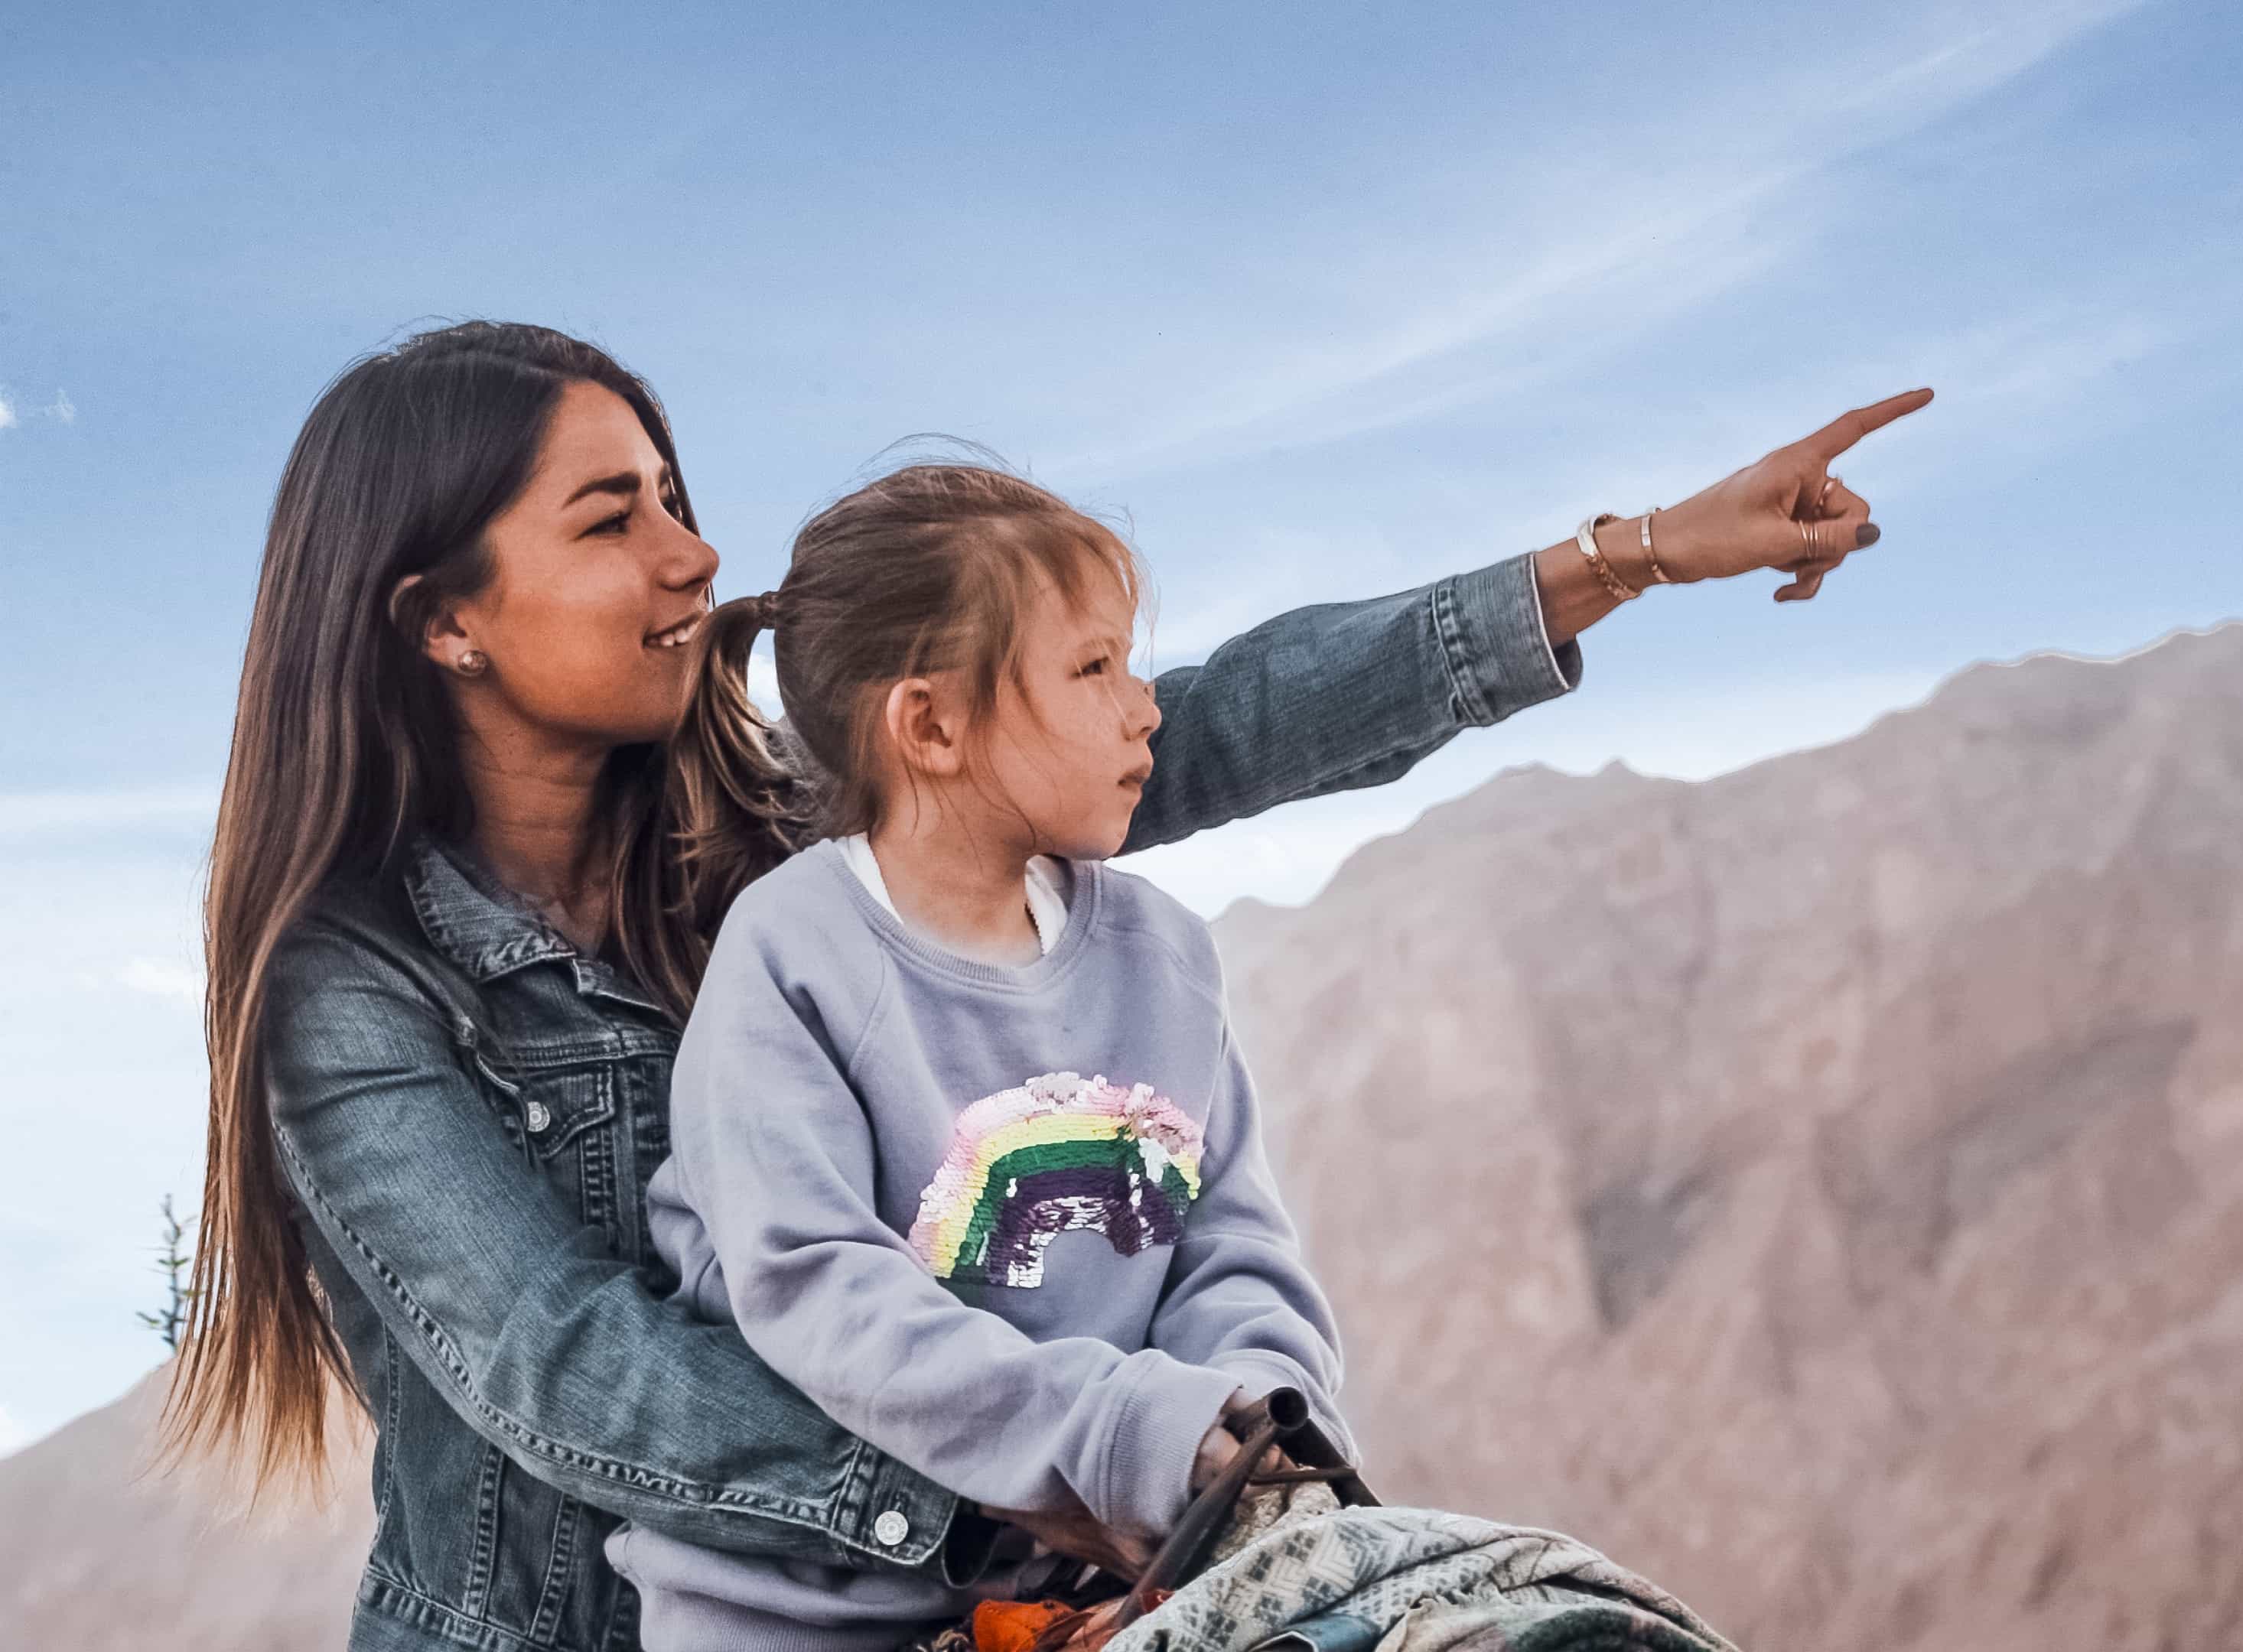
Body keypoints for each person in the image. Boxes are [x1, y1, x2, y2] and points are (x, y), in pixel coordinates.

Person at [164, 318, 1927, 1652]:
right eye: (613, 522)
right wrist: (1033, 1504)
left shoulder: (791, 834)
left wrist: (1615, 558)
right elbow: (567, 1369)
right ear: (440, 620)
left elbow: (1184, 724)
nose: (692, 555)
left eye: (681, 502)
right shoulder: (354, 990)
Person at [605, 460, 1369, 1649]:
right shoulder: (795, 955)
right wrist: (1121, 1438)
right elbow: (815, 1286)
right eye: (1092, 668)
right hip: (813, 1619)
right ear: (931, 725)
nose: (1144, 706)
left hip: (1112, 1589)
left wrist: (1247, 1428)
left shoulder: (1161, 956)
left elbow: (1231, 1241)